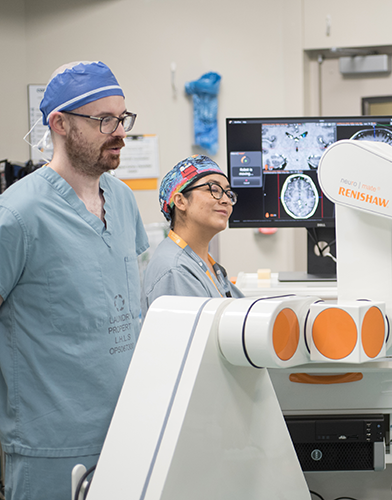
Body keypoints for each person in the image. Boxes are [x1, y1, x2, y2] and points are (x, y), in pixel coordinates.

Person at [0, 61, 148, 500]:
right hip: (52, 449)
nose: (119, 131)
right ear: (60, 124)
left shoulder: (121, 200)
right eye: (103, 120)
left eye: (122, 118)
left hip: (126, 433)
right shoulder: (17, 215)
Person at [142, 155, 243, 311]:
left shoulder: (206, 264)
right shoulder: (174, 271)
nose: (226, 200)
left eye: (228, 193)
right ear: (181, 201)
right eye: (214, 189)